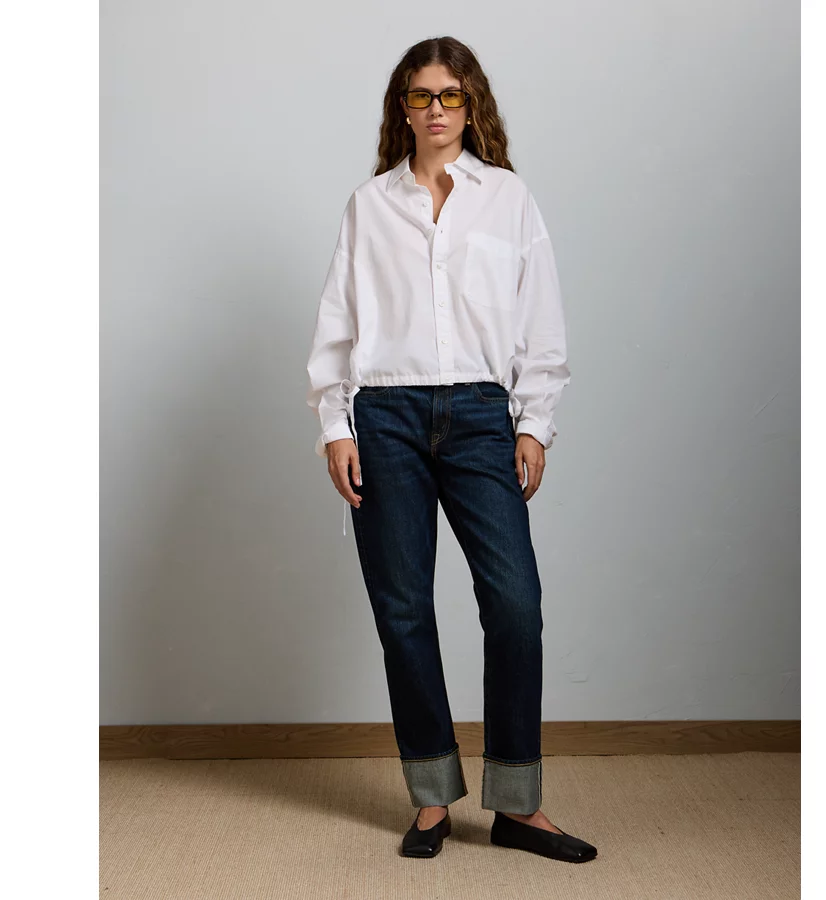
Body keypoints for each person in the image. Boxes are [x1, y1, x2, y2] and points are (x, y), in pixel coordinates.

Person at [305, 36, 597, 864]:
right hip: (385, 416)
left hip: (477, 414)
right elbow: (338, 322)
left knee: (515, 604)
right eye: (421, 95)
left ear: (472, 107)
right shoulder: (369, 206)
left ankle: (517, 807)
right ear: (402, 108)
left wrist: (533, 423)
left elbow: (541, 321)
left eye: (451, 95)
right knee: (403, 611)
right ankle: (432, 798)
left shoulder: (508, 199)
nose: (436, 109)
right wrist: (336, 426)